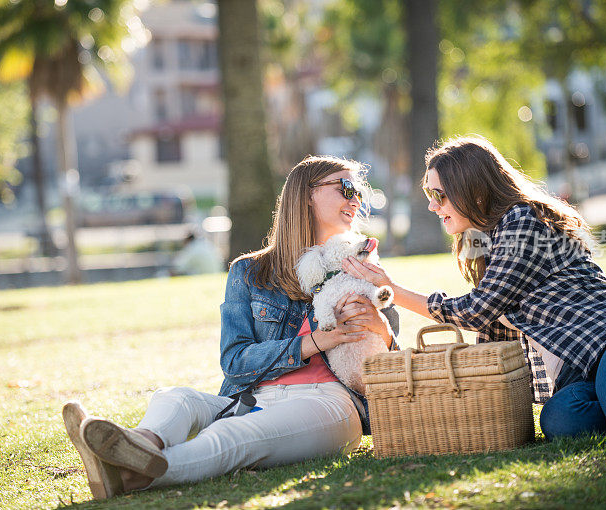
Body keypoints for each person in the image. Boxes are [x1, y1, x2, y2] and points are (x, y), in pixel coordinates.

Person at [62, 156, 399, 499]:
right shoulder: (251, 272)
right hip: (253, 396)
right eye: (345, 188)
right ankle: (140, 444)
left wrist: (382, 327)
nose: (355, 197)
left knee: (235, 436)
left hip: (329, 404)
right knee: (175, 397)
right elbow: (235, 361)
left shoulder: (365, 266)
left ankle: (128, 475)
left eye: (358, 189)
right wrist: (313, 341)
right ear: (306, 196)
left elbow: (392, 366)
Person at [343, 135, 606, 440]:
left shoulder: (521, 220)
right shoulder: (483, 243)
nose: (433, 205)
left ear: (473, 190)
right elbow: (492, 334)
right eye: (431, 195)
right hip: (578, 368)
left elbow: (478, 310)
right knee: (561, 423)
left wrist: (392, 289)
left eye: (439, 195)